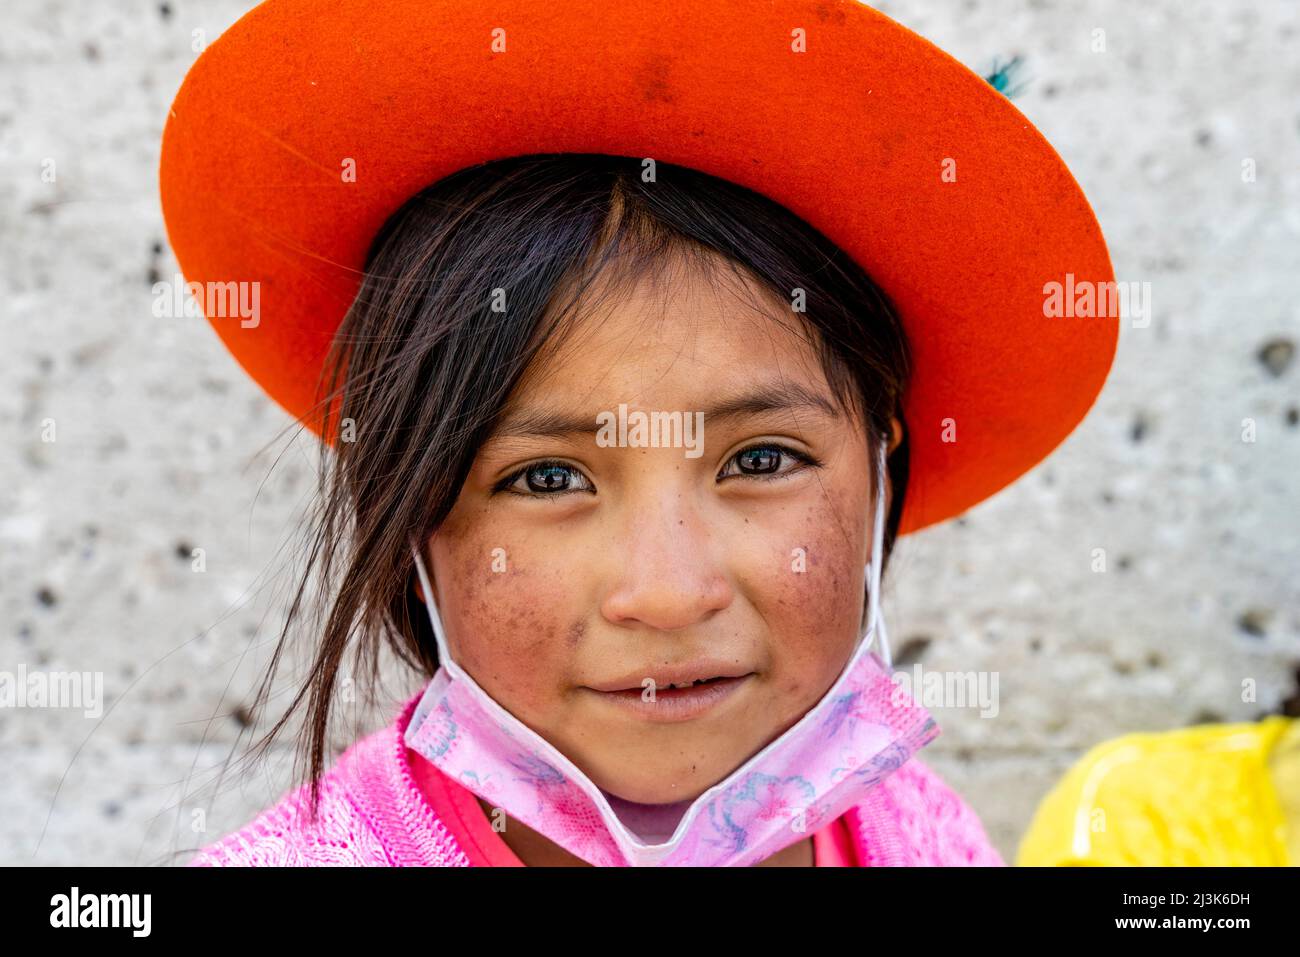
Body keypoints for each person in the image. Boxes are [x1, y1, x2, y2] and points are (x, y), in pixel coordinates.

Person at [160, 0, 1119, 866]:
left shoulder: (919, 832)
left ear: (878, 466)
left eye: (760, 459)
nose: (665, 594)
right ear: (412, 514)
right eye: (545, 479)